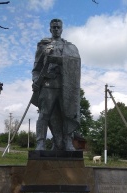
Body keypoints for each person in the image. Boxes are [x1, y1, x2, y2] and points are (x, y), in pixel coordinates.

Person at [31, 19, 81, 151]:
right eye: (54, 27)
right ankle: (40, 143)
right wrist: (36, 80)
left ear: (62, 29)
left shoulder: (70, 47)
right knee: (44, 114)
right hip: (48, 85)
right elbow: (36, 68)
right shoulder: (43, 46)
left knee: (67, 114)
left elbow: (75, 65)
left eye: (58, 27)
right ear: (50, 29)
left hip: (65, 86)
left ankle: (68, 141)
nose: (56, 29)